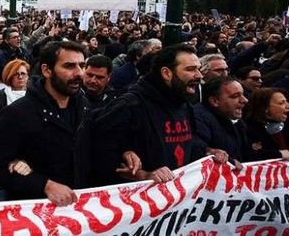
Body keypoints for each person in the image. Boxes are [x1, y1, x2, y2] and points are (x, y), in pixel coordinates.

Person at [92, 44, 228, 185]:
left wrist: (207, 152)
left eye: (198, 69)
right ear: (166, 73)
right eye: (190, 69)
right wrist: (143, 175)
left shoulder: (185, 106)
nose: (199, 75)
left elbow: (188, 146)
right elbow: (100, 157)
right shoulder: (129, 106)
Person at [0, 41, 94, 206]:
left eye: (82, 65)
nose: (79, 73)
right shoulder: (17, 114)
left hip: (77, 211)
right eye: (69, 66)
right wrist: (44, 185)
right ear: (47, 70)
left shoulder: (84, 106)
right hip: (34, 215)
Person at [194, 77, 249, 166]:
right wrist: (231, 162)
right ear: (215, 101)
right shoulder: (199, 118)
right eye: (235, 96)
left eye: (243, 94)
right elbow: (198, 152)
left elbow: (246, 154)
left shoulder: (238, 122)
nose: (245, 100)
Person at [243, 88, 289, 161]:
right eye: (281, 103)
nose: (287, 106)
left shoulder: (284, 126)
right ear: (265, 108)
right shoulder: (246, 129)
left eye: (286, 102)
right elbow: (248, 155)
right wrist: (280, 153)